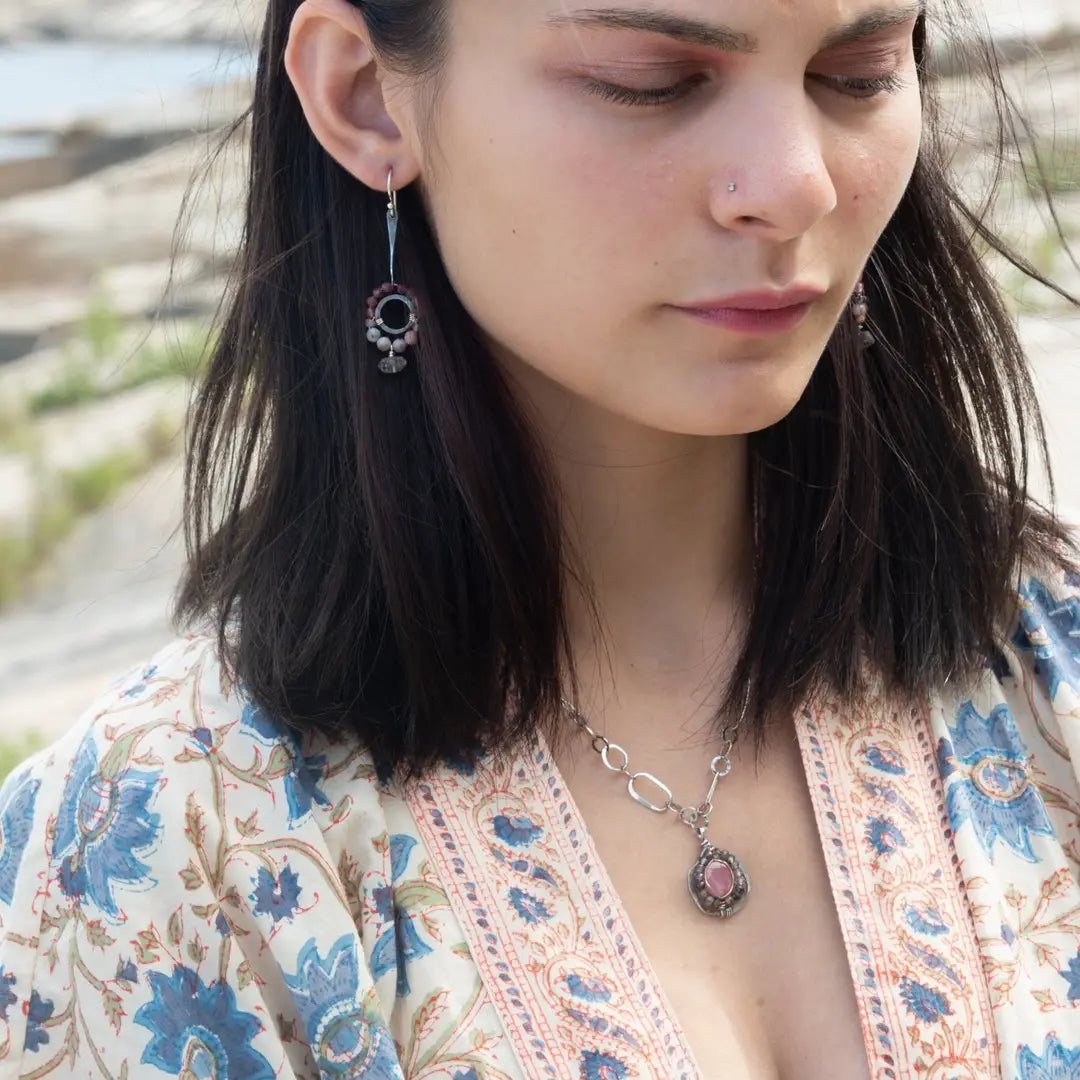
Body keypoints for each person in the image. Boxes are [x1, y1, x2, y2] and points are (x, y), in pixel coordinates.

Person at [2, 0, 1080, 1076]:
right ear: (365, 97)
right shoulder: (155, 844)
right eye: (654, 81)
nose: (799, 182)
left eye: (858, 74)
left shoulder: (1051, 661)